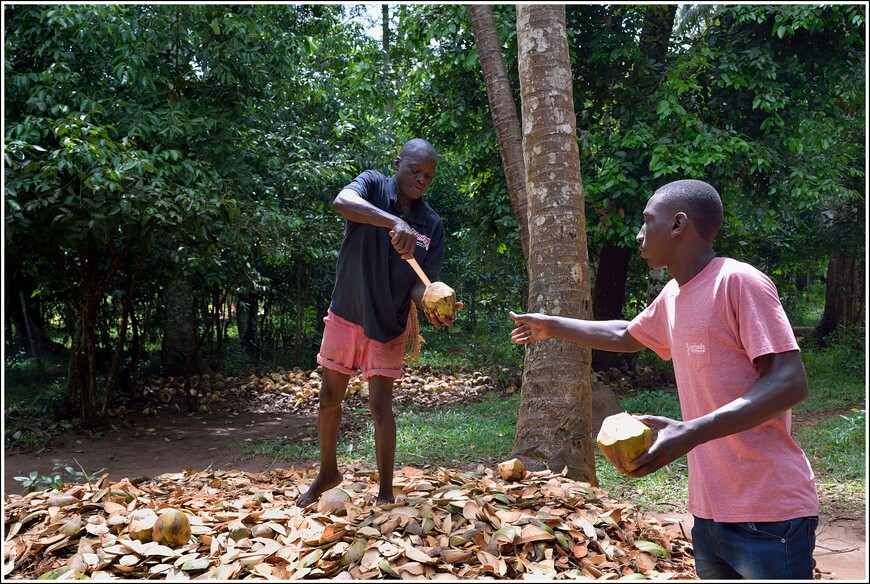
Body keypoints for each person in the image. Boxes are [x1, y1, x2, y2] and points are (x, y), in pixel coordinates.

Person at [509, 179, 819, 579]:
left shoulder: (738, 282)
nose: (639, 235)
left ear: (677, 224)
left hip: (769, 514)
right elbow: (626, 334)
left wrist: (690, 431)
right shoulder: (675, 295)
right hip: (710, 514)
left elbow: (790, 382)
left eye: (646, 221)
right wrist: (551, 325)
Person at [297, 138, 462, 508]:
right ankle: (327, 472)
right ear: (397, 163)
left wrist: (436, 305)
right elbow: (342, 203)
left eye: (428, 177)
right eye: (414, 170)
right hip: (348, 310)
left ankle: (385, 492)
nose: (421, 180)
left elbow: (421, 285)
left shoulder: (431, 224)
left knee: (381, 408)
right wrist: (394, 222)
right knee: (329, 398)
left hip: (389, 320)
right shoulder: (371, 185)